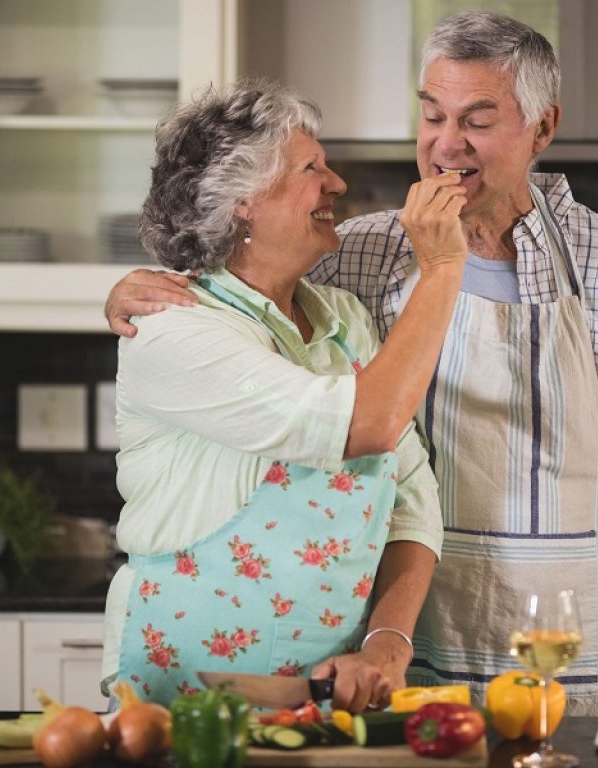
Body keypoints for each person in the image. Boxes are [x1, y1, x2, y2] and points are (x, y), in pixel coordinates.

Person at [105, 12, 598, 715]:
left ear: (542, 130)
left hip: (563, 642)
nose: (447, 143)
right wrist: (126, 286)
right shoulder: (357, 254)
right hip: (401, 650)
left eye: (478, 120)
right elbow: (239, 292)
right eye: (432, 114)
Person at [102, 78, 470, 711]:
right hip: (183, 696)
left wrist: (388, 644)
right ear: (243, 201)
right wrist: (440, 268)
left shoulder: (345, 319)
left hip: (330, 697)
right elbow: (367, 426)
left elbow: (409, 494)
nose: (337, 184)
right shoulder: (171, 329)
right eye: (312, 168)